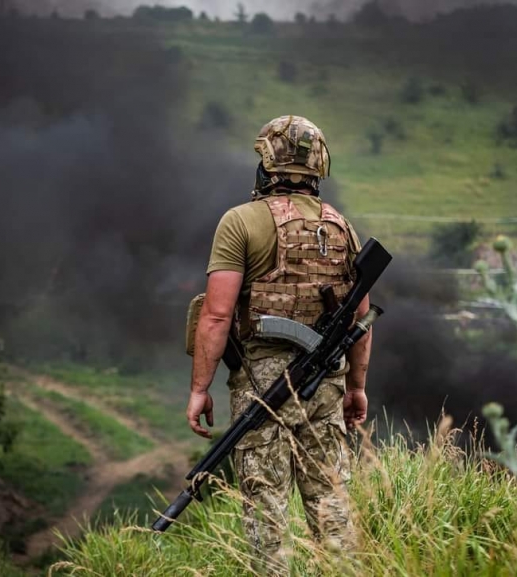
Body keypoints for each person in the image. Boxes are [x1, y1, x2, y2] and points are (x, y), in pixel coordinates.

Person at [185, 115, 373, 572]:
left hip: (261, 384)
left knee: (266, 510)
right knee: (331, 505)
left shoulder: (241, 222)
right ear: (318, 166)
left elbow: (215, 314)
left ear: (267, 162)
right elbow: (362, 317)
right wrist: (355, 387)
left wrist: (199, 389)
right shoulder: (342, 228)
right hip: (325, 386)